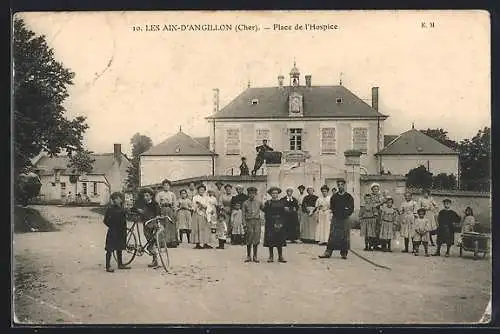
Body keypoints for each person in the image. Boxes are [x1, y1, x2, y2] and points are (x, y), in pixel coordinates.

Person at [319, 178, 354, 260]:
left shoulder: (348, 197)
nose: (340, 186)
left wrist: (346, 213)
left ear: (344, 185)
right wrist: (336, 214)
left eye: (342, 185)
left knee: (344, 236)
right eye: (339, 185)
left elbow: (351, 208)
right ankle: (328, 252)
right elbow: (332, 207)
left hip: (345, 219)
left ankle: (344, 253)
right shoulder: (334, 197)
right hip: (336, 218)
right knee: (332, 235)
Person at [134, 188, 161, 268]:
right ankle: (154, 257)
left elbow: (158, 211)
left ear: (151, 196)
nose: (145, 197)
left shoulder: (155, 204)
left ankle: (154, 258)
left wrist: (158, 215)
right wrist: (138, 210)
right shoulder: (142, 203)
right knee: (149, 239)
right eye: (144, 196)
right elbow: (134, 208)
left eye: (147, 196)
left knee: (153, 240)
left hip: (153, 222)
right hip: (146, 223)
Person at [103, 192, 130, 272]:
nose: (118, 200)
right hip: (113, 231)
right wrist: (111, 226)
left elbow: (126, 217)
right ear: (113, 200)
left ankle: (120, 264)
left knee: (119, 247)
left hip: (121, 230)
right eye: (116, 199)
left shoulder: (122, 209)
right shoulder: (110, 209)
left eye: (119, 199)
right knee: (109, 248)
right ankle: (108, 266)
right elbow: (105, 220)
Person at [263, 186, 287, 263]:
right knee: (271, 240)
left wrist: (281, 223)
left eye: (276, 193)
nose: (274, 194)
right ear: (270, 194)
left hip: (279, 223)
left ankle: (280, 256)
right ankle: (271, 256)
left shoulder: (281, 202)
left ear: (278, 194)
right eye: (273, 193)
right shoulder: (268, 203)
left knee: (279, 240)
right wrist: (270, 221)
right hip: (270, 223)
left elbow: (284, 214)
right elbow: (266, 213)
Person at [243, 187, 265, 262]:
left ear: (255, 194)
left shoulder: (259, 202)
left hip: (256, 222)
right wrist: (244, 224)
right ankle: (248, 256)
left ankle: (255, 256)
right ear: (248, 194)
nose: (251, 195)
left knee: (256, 238)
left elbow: (264, 209)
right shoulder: (245, 203)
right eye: (250, 193)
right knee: (248, 238)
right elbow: (243, 214)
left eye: (253, 193)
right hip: (249, 221)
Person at [191, 184, 212, 249]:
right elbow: (193, 206)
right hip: (197, 214)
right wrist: (197, 206)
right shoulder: (195, 197)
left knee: (205, 229)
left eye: (203, 190)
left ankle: (205, 243)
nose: (201, 191)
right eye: (200, 190)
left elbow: (209, 206)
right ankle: (198, 243)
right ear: (198, 190)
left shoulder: (207, 198)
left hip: (204, 214)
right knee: (197, 228)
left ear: (204, 191)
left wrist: (204, 207)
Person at [369, 183, 386, 251]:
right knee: (373, 229)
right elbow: (373, 205)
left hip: (379, 213)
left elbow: (384, 202)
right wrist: (381, 203)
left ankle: (379, 244)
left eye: (377, 189)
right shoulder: (370, 196)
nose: (375, 190)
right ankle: (372, 245)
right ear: (372, 190)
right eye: (374, 189)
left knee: (379, 229)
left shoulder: (380, 196)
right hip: (373, 214)